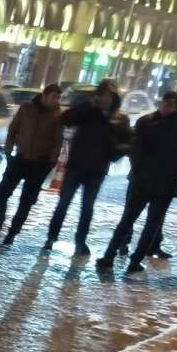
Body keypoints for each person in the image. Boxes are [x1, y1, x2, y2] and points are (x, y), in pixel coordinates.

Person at [99, 91, 177, 274]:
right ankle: (135, 262)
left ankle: (109, 256)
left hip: (142, 181)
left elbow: (136, 152)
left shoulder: (154, 125)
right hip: (167, 185)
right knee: (152, 224)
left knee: (127, 219)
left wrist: (140, 172)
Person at [44, 81, 130, 256]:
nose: (105, 99)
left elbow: (127, 141)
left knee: (87, 207)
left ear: (114, 98)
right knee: (63, 204)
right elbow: (66, 119)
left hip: (97, 170)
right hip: (76, 165)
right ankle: (52, 237)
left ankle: (80, 241)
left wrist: (115, 154)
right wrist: (87, 105)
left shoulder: (119, 119)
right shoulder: (88, 112)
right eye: (103, 95)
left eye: (109, 96)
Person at [0, 84, 64, 245]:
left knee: (27, 201)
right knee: (2, 192)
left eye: (59, 98)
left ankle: (12, 232)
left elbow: (57, 141)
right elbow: (13, 129)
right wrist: (9, 150)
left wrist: (51, 162)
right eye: (54, 97)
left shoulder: (58, 116)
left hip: (40, 162)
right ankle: (0, 219)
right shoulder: (26, 108)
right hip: (20, 158)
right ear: (45, 96)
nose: (57, 101)